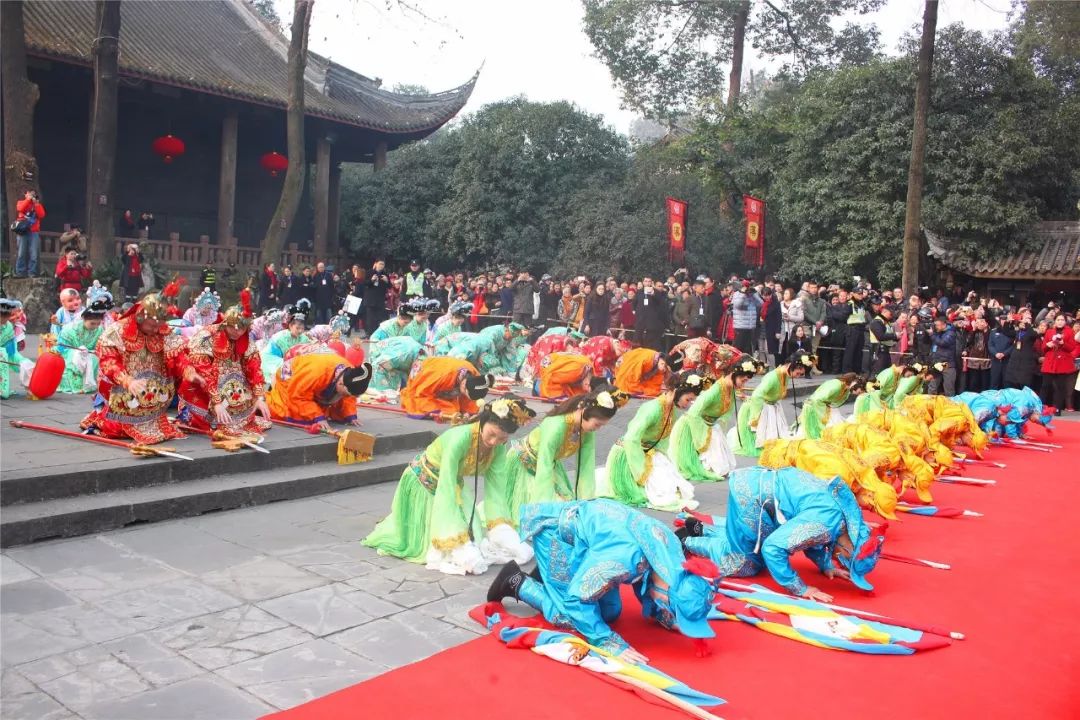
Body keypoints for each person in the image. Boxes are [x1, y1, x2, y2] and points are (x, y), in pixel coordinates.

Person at [486, 498, 719, 662]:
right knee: (568, 616)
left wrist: (663, 615)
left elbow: (649, 578)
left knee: (610, 612)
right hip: (557, 535)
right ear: (666, 594)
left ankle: (550, 575)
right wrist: (608, 641)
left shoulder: (672, 560)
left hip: (595, 541)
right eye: (671, 609)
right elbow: (577, 599)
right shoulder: (623, 561)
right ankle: (517, 581)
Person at [364, 396, 536, 575]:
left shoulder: (499, 448)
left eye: (501, 438)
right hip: (425, 481)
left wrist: (502, 529)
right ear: (483, 422)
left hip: (454, 483)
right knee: (446, 543)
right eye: (491, 434)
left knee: (476, 537)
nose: (494, 442)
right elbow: (446, 486)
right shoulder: (460, 438)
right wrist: (454, 536)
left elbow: (496, 490)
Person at [681, 466, 887, 602]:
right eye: (845, 562)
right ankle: (687, 541)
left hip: (759, 486)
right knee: (745, 563)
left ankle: (704, 530)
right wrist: (800, 588)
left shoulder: (839, 519)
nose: (840, 561)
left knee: (749, 543)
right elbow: (773, 548)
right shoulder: (825, 525)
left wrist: (826, 565)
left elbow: (811, 541)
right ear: (848, 549)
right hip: (753, 498)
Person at [503, 388, 623, 527]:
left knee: (570, 509)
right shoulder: (556, 425)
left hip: (549, 464)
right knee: (553, 513)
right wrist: (544, 508)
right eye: (597, 424)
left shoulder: (587, 430)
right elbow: (545, 463)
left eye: (602, 425)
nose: (598, 428)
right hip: (525, 461)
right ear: (583, 411)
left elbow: (586, 466)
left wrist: (586, 503)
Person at [80, 294, 186, 444]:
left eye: (158, 326)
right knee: (115, 428)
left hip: (154, 394)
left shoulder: (161, 329)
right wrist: (127, 380)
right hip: (124, 388)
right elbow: (108, 361)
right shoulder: (117, 330)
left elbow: (178, 354)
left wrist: (188, 370)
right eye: (151, 326)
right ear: (141, 317)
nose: (155, 330)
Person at [604, 372, 704, 511]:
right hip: (630, 454)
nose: (688, 405)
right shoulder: (652, 408)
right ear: (676, 391)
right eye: (688, 399)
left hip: (649, 452)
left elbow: (662, 440)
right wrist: (641, 471)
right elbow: (631, 438)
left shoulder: (671, 408)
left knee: (677, 488)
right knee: (662, 493)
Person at [176, 305, 272, 436]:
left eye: (242, 329)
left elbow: (254, 368)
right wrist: (217, 402)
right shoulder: (207, 336)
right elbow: (204, 371)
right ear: (225, 323)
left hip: (233, 386)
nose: (237, 332)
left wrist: (260, 397)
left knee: (244, 397)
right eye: (232, 327)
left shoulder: (246, 340)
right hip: (204, 385)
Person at [669, 354, 760, 483]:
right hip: (696, 426)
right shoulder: (716, 389)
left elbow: (725, 413)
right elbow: (693, 413)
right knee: (718, 470)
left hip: (711, 426)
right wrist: (701, 437)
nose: (743, 384)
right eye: (743, 380)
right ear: (734, 374)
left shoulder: (730, 388)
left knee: (726, 467)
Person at [758, 439, 898, 519]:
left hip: (798, 451)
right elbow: (811, 494)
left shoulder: (863, 472)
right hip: (784, 458)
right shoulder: (840, 478)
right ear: (870, 495)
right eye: (871, 508)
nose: (866, 509)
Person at [731, 350, 816, 457]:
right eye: (798, 373)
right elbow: (757, 395)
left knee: (778, 440)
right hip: (762, 408)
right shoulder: (773, 376)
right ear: (791, 365)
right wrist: (754, 419)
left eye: (801, 374)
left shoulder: (785, 373)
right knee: (766, 444)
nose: (798, 376)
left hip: (771, 406)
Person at [266, 351, 372, 431]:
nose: (347, 396)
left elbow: (349, 397)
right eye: (346, 394)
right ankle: (265, 401)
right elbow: (298, 395)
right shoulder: (316, 373)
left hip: (311, 380)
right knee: (293, 414)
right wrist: (317, 417)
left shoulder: (351, 372)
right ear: (340, 383)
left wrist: (350, 415)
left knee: (333, 414)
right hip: (290, 378)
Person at [400, 357, 492, 418]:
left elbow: (472, 399)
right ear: (463, 384)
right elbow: (422, 392)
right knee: (449, 410)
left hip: (444, 374)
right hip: (423, 376)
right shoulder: (442, 376)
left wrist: (469, 412)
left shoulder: (474, 373)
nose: (463, 393)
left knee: (462, 409)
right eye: (464, 390)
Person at [56, 297, 112, 394]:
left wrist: (95, 351)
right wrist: (77, 351)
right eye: (92, 323)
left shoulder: (99, 330)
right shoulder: (70, 329)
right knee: (79, 356)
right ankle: (77, 385)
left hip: (90, 354)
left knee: (96, 358)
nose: (95, 326)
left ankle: (90, 385)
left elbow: (100, 346)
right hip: (70, 354)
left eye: (98, 323)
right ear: (84, 319)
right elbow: (61, 347)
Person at [798, 373, 867, 439]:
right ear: (855, 385)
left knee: (836, 420)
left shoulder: (846, 390)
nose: (858, 394)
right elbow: (817, 399)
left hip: (825, 405)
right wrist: (826, 410)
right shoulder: (836, 385)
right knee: (824, 428)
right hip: (815, 405)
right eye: (859, 392)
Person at [260, 304, 311, 386]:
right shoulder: (280, 337)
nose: (300, 331)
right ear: (290, 326)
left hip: (291, 364)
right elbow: (272, 354)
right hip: (272, 360)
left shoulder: (304, 338)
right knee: (275, 379)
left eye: (302, 328)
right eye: (297, 328)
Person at [1040, 313, 1076, 415]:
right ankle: (1040, 408)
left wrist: (1063, 344)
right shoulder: (1049, 331)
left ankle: (1057, 409)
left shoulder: (1069, 332)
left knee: (1060, 387)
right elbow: (1043, 348)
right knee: (1045, 386)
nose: (1060, 322)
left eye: (1062, 320)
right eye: (1058, 320)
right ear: (1055, 321)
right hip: (1050, 362)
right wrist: (1048, 345)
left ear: (1065, 322)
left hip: (1062, 363)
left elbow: (1072, 347)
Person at [0, 299, 33, 398]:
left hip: (5, 354)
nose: (5, 319)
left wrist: (20, 361)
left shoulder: (9, 326)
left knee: (27, 364)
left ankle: (33, 388)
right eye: (2, 316)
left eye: (7, 316)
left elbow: (11, 349)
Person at [14, 189, 45, 278]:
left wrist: (36, 204)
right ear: (26, 194)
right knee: (21, 253)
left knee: (34, 254)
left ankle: (32, 272)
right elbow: (20, 209)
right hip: (23, 231)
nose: (32, 195)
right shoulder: (21, 202)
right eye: (30, 193)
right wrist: (28, 200)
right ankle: (20, 272)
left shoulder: (37, 205)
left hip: (33, 232)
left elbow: (42, 215)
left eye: (33, 194)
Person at [633, 278, 668, 351]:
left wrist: (654, 295)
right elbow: (634, 302)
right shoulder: (639, 292)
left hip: (652, 321)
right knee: (638, 340)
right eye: (646, 281)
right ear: (643, 282)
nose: (647, 283)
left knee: (650, 342)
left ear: (652, 283)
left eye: (649, 281)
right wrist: (634, 310)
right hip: (640, 320)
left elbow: (661, 303)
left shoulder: (656, 292)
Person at [928, 316, 958, 395]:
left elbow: (943, 343)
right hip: (936, 363)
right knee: (932, 386)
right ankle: (929, 405)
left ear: (944, 324)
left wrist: (932, 335)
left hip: (947, 364)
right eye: (935, 325)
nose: (935, 327)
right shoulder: (937, 333)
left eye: (937, 325)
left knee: (948, 388)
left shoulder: (951, 333)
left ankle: (950, 406)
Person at [842, 286, 868, 374]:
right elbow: (843, 316)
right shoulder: (850, 303)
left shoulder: (862, 304)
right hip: (852, 329)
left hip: (861, 329)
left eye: (861, 294)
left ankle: (857, 370)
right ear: (853, 294)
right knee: (850, 351)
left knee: (858, 351)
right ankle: (847, 371)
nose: (860, 295)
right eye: (858, 294)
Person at [731, 281, 762, 354]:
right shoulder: (737, 294)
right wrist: (743, 293)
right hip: (740, 326)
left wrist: (755, 294)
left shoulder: (752, 295)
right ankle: (736, 364)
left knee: (748, 350)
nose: (747, 289)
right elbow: (738, 305)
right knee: (738, 349)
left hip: (750, 327)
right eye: (746, 287)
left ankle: (747, 364)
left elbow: (761, 304)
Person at [867, 300, 897, 374]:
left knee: (886, 372)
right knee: (878, 371)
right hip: (878, 350)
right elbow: (880, 336)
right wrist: (894, 335)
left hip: (885, 350)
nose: (891, 316)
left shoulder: (886, 322)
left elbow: (888, 335)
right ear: (884, 312)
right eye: (890, 314)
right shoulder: (876, 322)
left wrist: (896, 338)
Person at [364, 261, 390, 333]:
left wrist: (387, 281)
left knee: (379, 318)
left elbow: (390, 286)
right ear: (375, 264)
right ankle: (369, 334)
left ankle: (377, 334)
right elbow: (365, 284)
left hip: (380, 299)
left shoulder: (385, 274)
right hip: (370, 299)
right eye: (380, 264)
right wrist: (371, 280)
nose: (381, 266)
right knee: (370, 318)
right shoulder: (369, 272)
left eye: (383, 264)